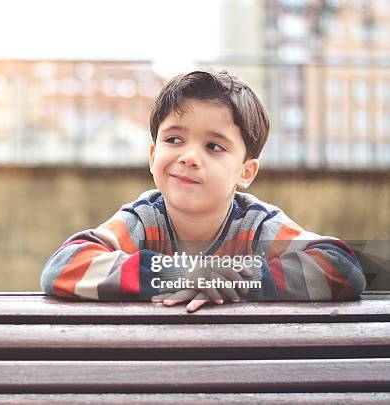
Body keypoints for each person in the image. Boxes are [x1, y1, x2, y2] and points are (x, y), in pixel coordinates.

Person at [40, 68, 366, 312]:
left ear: (245, 172)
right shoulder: (143, 218)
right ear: (153, 157)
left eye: (213, 146)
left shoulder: (256, 225)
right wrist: (179, 274)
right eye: (174, 139)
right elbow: (65, 265)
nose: (189, 157)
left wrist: (228, 280)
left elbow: (342, 268)